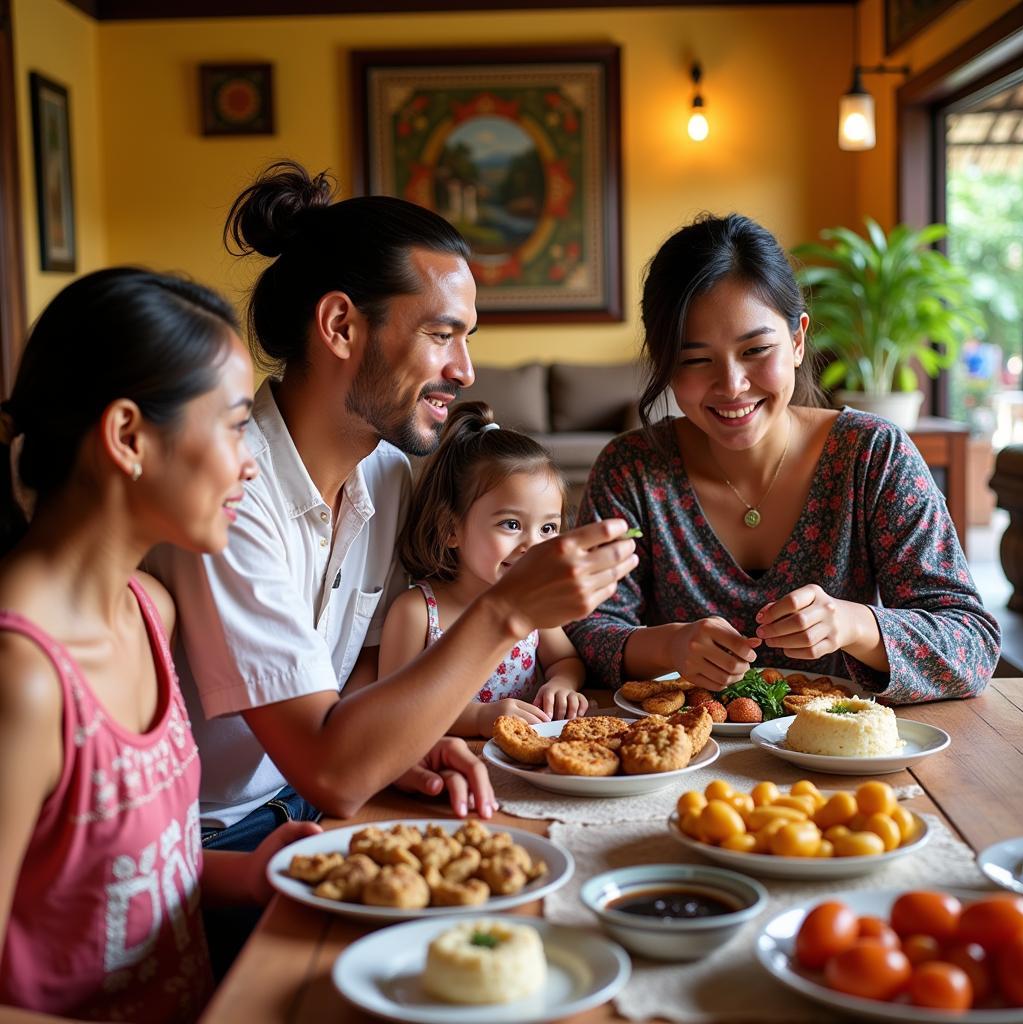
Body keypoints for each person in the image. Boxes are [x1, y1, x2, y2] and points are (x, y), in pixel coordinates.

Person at [146, 161, 636, 853]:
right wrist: (508, 610)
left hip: (315, 809)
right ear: (342, 326)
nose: (464, 370)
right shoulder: (231, 497)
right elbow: (333, 768)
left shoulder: (386, 475)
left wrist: (407, 749)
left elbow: (354, 707)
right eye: (442, 334)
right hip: (217, 846)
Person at [0, 268, 319, 1021]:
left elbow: (105, 876)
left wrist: (248, 876)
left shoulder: (152, 610)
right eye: (237, 424)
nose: (250, 462)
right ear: (127, 436)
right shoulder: (23, 677)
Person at [566, 213, 1000, 703]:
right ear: (665, 362)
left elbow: (971, 643)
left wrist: (856, 624)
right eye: (694, 359)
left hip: (843, 761)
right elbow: (582, 630)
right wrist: (669, 644)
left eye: (756, 350)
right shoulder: (631, 470)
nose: (732, 385)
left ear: (797, 340)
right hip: (679, 763)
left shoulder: (872, 456)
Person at [380, 401, 589, 736]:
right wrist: (479, 717)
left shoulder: (532, 604)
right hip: (453, 760)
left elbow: (566, 660)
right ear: (451, 529)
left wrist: (562, 684)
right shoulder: (416, 612)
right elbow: (390, 709)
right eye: (510, 524)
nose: (532, 545)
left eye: (548, 528)